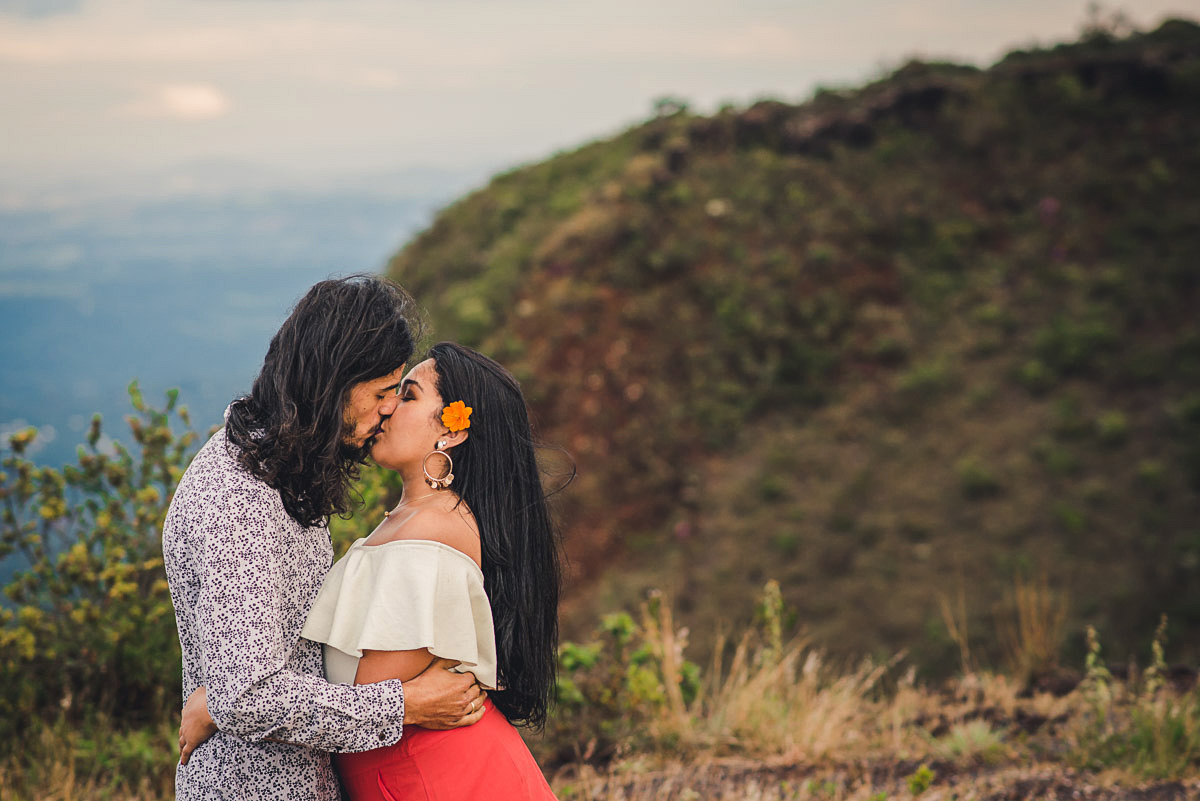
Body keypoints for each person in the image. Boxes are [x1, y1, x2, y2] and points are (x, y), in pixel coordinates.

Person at [180, 342, 564, 800]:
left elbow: (364, 686)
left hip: (442, 778)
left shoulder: (432, 532)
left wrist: (225, 700)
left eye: (408, 396)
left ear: (452, 432)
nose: (386, 409)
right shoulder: (409, 520)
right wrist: (236, 690)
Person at [163, 277, 486, 801]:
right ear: (334, 383)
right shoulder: (239, 501)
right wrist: (407, 703)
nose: (388, 409)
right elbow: (249, 695)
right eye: (382, 393)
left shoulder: (283, 472)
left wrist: (215, 701)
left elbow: (273, 658)